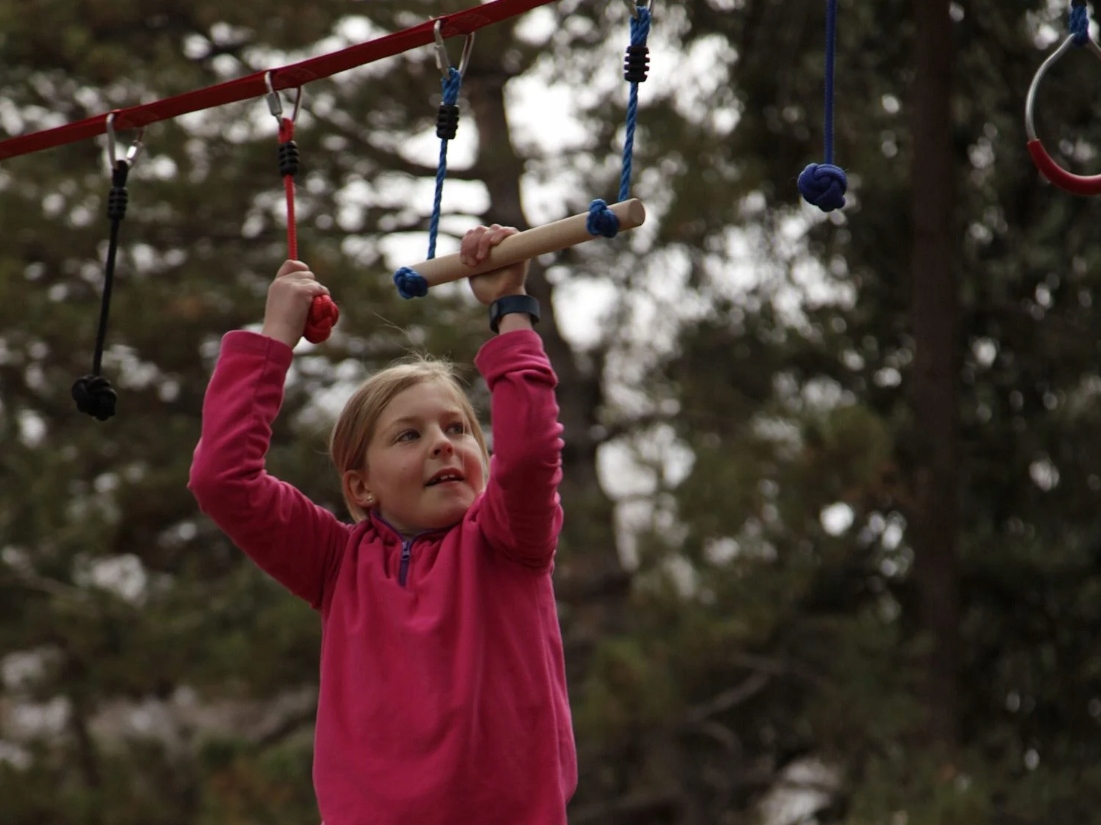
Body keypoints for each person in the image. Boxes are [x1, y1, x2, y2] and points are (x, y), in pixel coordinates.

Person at [188, 224, 576, 825]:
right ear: (360, 486)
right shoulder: (336, 565)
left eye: (457, 429)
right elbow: (222, 479)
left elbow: (528, 456)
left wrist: (510, 310)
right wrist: (275, 340)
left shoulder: (507, 543)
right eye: (408, 436)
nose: (443, 445)